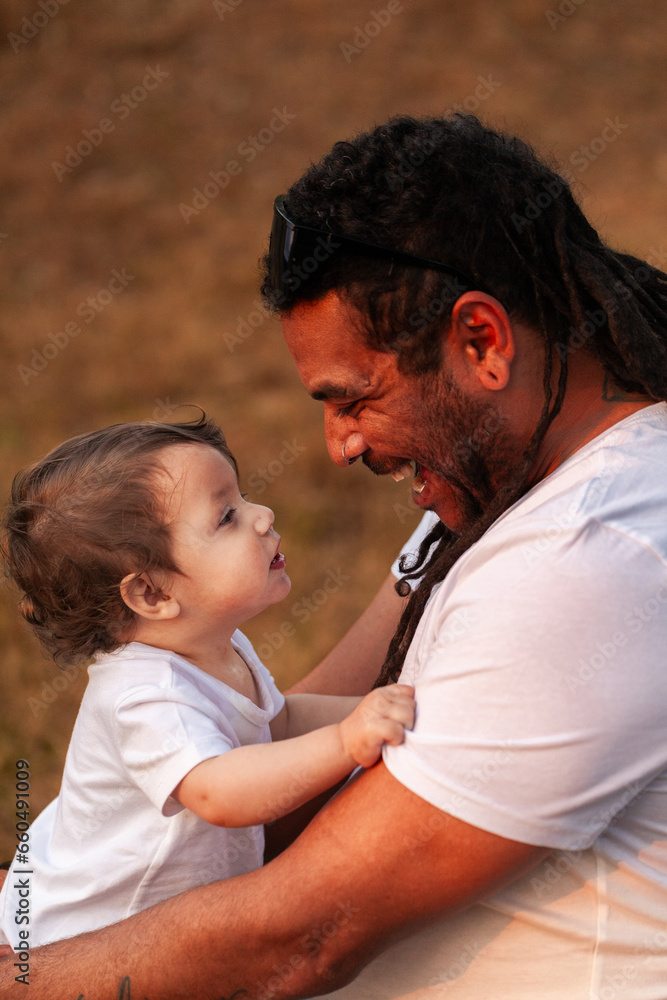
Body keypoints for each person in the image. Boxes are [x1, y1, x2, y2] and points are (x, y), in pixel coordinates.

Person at [2, 112, 667, 998]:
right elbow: (275, 751)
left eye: (352, 399)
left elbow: (300, 939)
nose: (338, 446)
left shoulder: (588, 555)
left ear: (481, 341)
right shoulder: (503, 484)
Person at [0, 415, 415, 950]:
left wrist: (379, 706)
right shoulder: (144, 697)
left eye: (243, 499)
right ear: (152, 594)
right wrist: (345, 742)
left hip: (158, 919)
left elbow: (279, 720)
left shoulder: (218, 645)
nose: (263, 516)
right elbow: (220, 792)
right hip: (90, 933)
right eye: (227, 517)